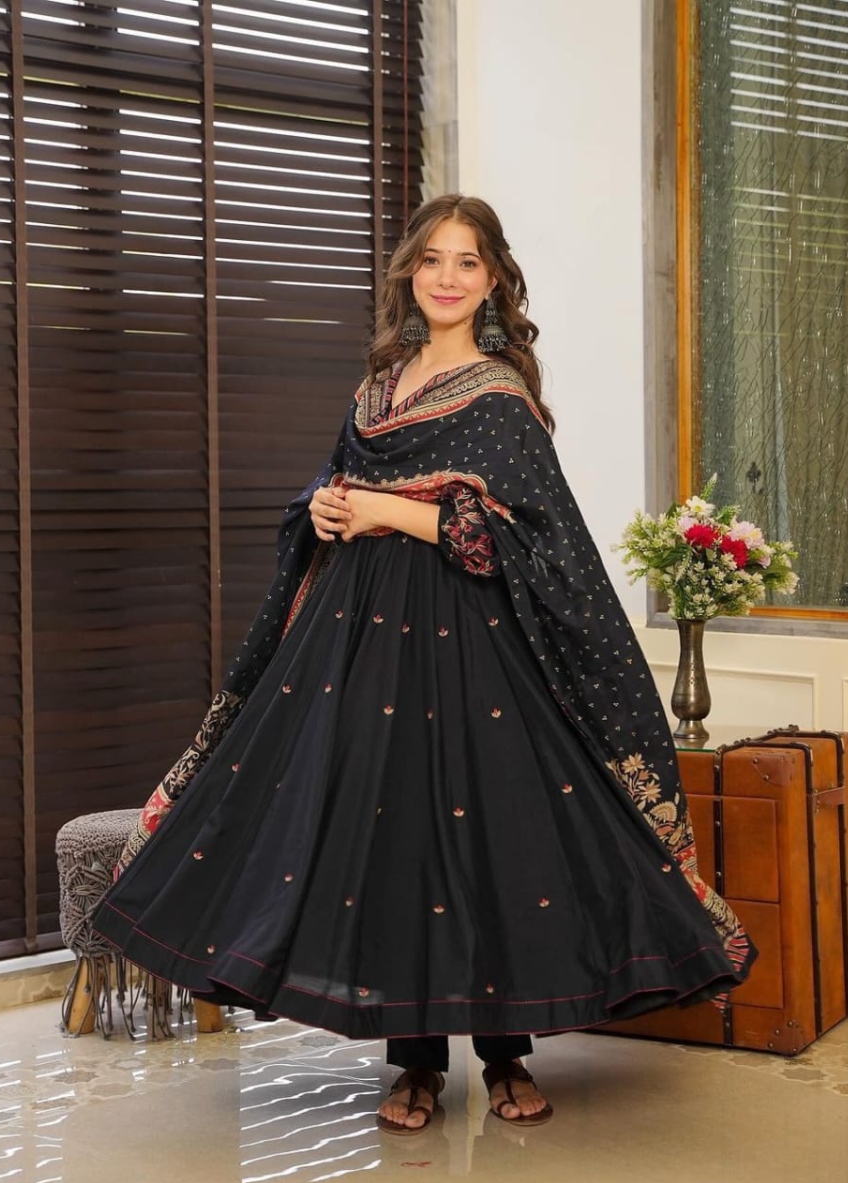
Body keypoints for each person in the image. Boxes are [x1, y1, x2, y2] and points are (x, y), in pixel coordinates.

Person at [92, 194, 756, 1135]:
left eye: (467, 262)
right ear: (410, 272)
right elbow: (338, 485)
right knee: (390, 841)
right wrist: (325, 507)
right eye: (432, 259)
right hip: (358, 653)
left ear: (493, 282)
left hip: (476, 653)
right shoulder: (377, 388)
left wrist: (387, 510)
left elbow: (521, 540)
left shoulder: (500, 395)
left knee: (493, 839)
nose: (447, 276)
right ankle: (412, 1062)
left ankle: (505, 1054)